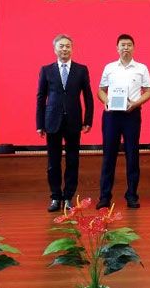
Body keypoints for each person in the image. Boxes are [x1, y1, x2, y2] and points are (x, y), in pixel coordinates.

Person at [36, 34, 94, 212]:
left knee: (72, 161)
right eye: (61, 46)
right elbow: (41, 98)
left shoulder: (81, 69)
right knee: (53, 162)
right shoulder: (46, 70)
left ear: (72, 49)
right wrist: (40, 124)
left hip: (73, 121)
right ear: (55, 49)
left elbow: (88, 96)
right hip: (52, 121)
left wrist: (88, 120)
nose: (64, 49)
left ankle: (68, 197)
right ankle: (55, 197)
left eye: (68, 46)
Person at [96, 34, 150, 209]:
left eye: (129, 45)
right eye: (122, 45)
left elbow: (148, 92)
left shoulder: (141, 68)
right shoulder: (109, 67)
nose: (125, 48)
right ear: (117, 48)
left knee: (132, 155)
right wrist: (106, 101)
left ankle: (132, 195)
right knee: (109, 156)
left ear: (133, 48)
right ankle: (104, 197)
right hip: (112, 116)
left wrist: (135, 103)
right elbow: (101, 90)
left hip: (131, 115)